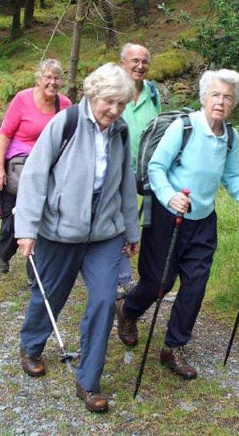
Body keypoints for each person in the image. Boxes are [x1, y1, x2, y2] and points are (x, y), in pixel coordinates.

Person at [115, 69, 239, 380]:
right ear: (204, 97)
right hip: (165, 214)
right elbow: (156, 167)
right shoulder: (184, 127)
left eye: (228, 97)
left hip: (203, 221)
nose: (221, 101)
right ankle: (127, 310)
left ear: (235, 103)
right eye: (216, 95)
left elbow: (231, 179)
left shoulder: (231, 137)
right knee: (159, 283)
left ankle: (173, 347)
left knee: (195, 285)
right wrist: (170, 196)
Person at [15, 63, 140, 413]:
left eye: (121, 104)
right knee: (50, 293)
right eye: (109, 102)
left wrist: (131, 231)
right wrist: (26, 230)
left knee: (103, 301)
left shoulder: (121, 131)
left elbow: (125, 185)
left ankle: (88, 381)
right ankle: (32, 345)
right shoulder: (65, 122)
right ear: (92, 93)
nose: (114, 111)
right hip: (60, 230)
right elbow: (35, 176)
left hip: (104, 235)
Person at [0, 59, 71, 280]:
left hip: (51, 169)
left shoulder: (65, 105)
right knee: (15, 216)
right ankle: (3, 252)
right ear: (38, 79)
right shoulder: (22, 99)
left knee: (44, 217)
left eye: (56, 78)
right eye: (48, 77)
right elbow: (5, 133)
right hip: (20, 167)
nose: (52, 82)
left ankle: (34, 272)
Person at [118, 42, 161, 297]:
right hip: (117, 170)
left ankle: (149, 279)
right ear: (122, 62)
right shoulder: (112, 91)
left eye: (144, 61)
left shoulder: (153, 94)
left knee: (150, 224)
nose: (140, 66)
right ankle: (121, 276)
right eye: (135, 61)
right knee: (118, 222)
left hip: (147, 171)